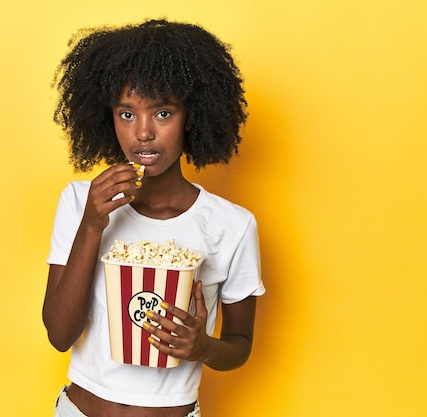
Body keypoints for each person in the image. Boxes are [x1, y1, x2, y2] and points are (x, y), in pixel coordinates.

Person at [43, 19, 265, 417]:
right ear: (107, 118)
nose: (142, 133)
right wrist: (93, 225)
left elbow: (239, 344)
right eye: (126, 114)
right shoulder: (81, 202)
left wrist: (205, 348)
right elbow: (59, 335)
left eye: (162, 113)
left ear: (191, 116)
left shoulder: (232, 226)